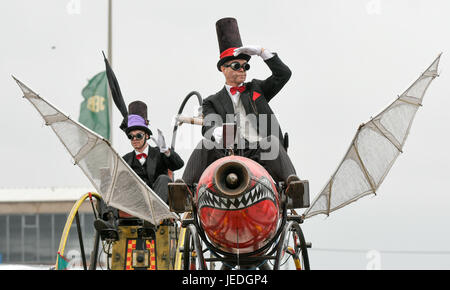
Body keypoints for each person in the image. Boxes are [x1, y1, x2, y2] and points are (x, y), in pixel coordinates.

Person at [181, 17, 306, 197]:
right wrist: (217, 131)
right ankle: (182, 191)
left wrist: (263, 53)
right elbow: (208, 122)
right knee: (205, 144)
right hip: (228, 153)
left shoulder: (257, 89)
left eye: (245, 65)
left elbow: (283, 74)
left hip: (260, 151)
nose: (242, 69)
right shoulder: (211, 101)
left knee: (272, 142)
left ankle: (293, 188)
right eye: (236, 65)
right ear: (223, 69)